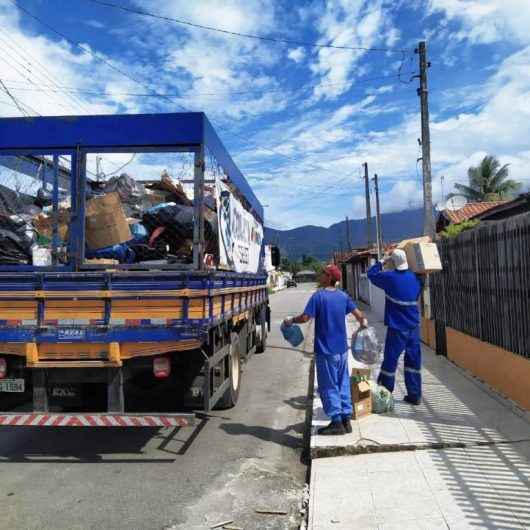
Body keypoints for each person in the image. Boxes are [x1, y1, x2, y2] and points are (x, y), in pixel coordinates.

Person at [283, 264, 368, 435]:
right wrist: (363, 327)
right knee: (342, 383)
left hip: (326, 350)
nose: (320, 275)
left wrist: (291, 320)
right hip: (342, 350)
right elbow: (361, 317)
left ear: (329, 277)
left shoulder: (319, 297)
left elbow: (306, 317)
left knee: (328, 386)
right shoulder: (343, 296)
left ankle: (336, 422)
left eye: (323, 273)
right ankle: (346, 419)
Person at [367, 248, 423, 405]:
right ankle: (415, 395)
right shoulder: (417, 278)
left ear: (393, 263)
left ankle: (385, 394)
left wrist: (382, 261)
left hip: (397, 327)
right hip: (413, 326)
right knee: (413, 361)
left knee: (390, 361)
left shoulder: (389, 277)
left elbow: (371, 274)